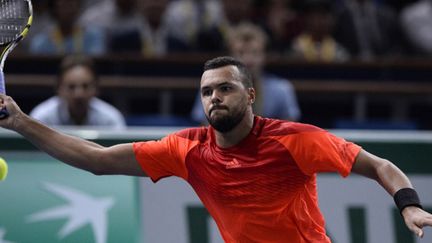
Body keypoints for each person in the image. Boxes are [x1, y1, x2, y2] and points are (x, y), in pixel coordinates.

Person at [1, 56, 431, 242]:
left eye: (224, 88)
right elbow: (96, 159)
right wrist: (20, 121)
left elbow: (380, 165)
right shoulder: (188, 149)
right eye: (207, 92)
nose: (214, 98)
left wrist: (408, 205)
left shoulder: (293, 139)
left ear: (249, 94)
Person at [191, 23, 301, 123]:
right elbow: (205, 128)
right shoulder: (211, 87)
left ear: (264, 56)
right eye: (241, 53)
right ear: (230, 56)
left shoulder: (282, 89)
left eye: (255, 53)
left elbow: (290, 131)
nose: (248, 59)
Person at [29, 55, 126, 128]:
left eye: (85, 86)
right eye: (71, 87)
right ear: (59, 88)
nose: (78, 94)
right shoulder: (41, 118)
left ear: (96, 88)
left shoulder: (110, 119)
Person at [29, 0, 106, 56]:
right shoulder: (41, 42)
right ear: (54, 8)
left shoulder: (94, 36)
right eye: (63, 5)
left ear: (78, 7)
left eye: (71, 4)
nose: (67, 10)